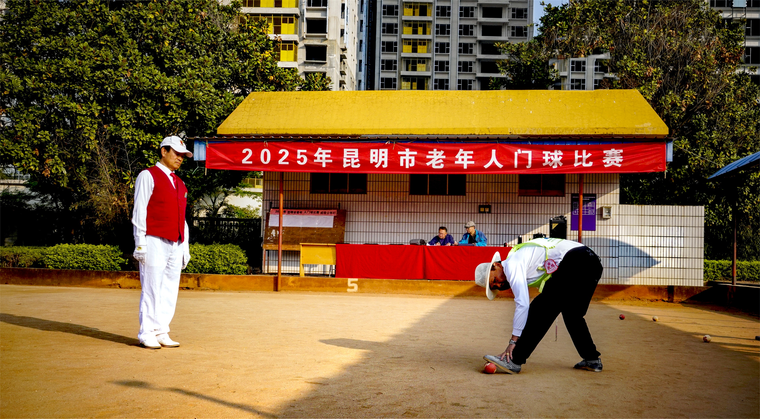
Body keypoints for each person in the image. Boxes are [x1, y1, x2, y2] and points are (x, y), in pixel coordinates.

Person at [474, 237, 603, 374]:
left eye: (494, 279)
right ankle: (592, 359)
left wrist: (513, 341)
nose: (499, 284)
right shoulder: (521, 261)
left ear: (496, 265)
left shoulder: (511, 265)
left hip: (576, 260)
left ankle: (514, 359)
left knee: (540, 310)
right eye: (495, 286)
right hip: (592, 262)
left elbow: (522, 304)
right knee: (573, 314)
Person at [131, 136, 193, 349]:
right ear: (163, 151)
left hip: (175, 242)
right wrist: (140, 242)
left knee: (169, 288)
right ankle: (147, 332)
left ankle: (161, 330)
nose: (180, 158)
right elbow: (139, 210)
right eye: (176, 153)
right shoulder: (148, 175)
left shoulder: (179, 183)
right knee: (151, 287)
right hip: (154, 239)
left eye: (183, 155)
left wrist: (185, 247)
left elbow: (182, 218)